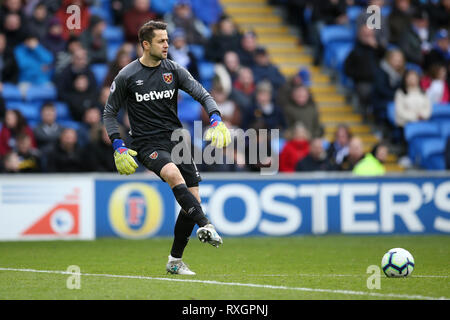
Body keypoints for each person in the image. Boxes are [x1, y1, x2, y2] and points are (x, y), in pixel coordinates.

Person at [103, 21, 231, 275]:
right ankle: (206, 225)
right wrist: (118, 144)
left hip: (177, 140)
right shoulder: (127, 75)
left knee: (192, 200)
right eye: (161, 41)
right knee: (173, 174)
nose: (166, 45)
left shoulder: (173, 70)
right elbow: (109, 113)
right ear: (146, 44)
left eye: (167, 40)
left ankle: (175, 261)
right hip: (147, 143)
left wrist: (216, 117)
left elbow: (203, 94)